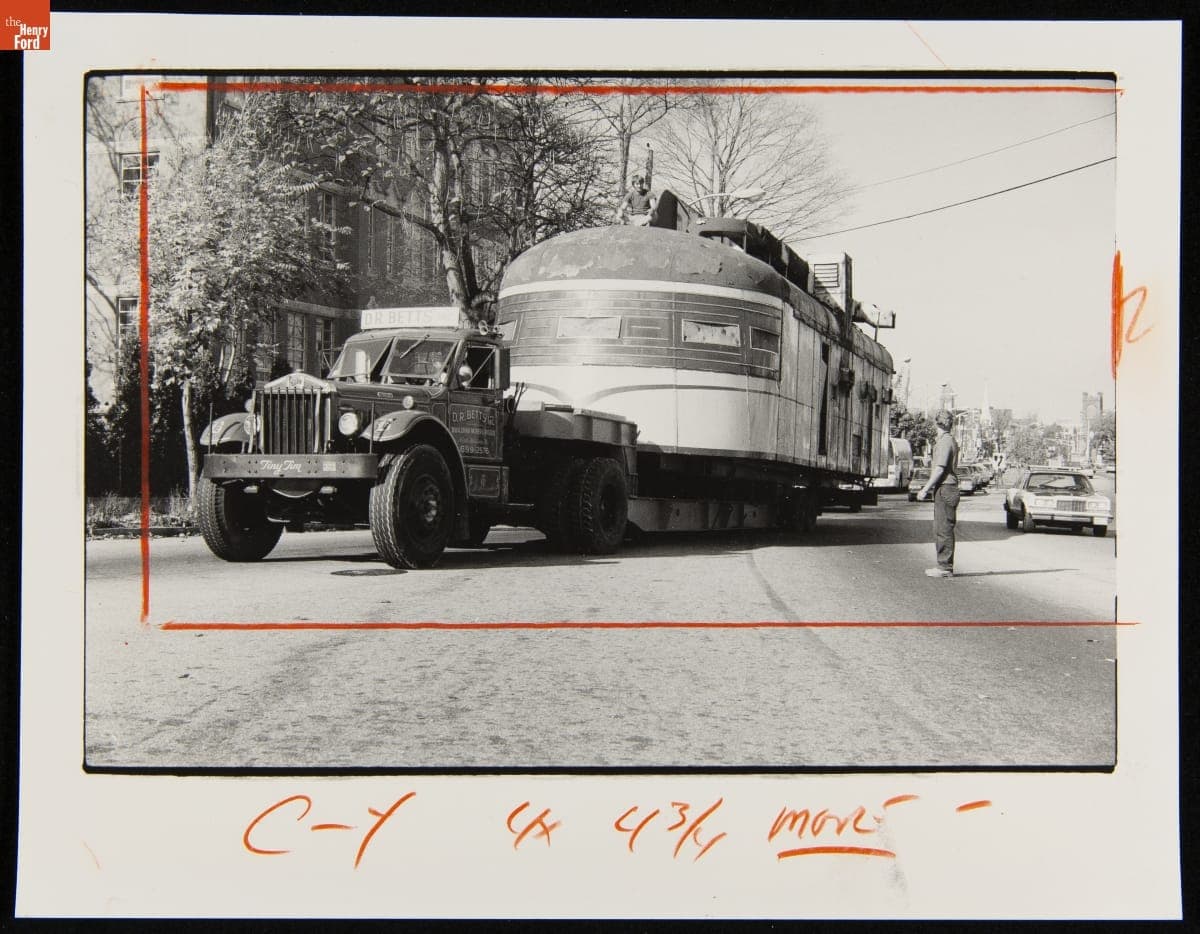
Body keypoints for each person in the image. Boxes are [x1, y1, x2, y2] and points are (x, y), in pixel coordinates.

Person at [917, 410, 960, 578]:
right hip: (948, 488)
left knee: (943, 529)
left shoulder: (944, 442)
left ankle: (944, 567)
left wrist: (925, 489)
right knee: (943, 527)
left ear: (937, 424)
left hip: (945, 488)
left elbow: (940, 469)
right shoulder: (949, 440)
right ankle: (944, 565)